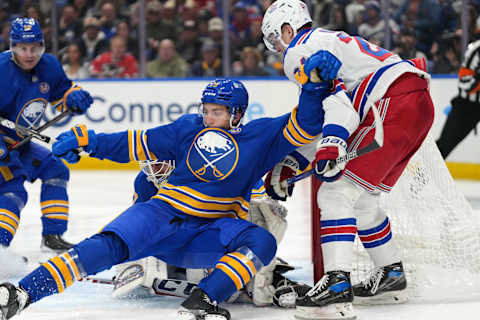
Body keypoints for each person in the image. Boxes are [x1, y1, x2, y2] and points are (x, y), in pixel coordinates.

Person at [0, 77, 353, 320]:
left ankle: (202, 300)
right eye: (206, 110)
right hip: (162, 216)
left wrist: (313, 87)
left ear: (237, 115)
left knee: (260, 239)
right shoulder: (187, 128)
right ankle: (22, 294)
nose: (208, 117)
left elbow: (305, 123)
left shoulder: (259, 138)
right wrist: (88, 139)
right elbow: (133, 142)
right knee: (104, 245)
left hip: (210, 234)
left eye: (217, 112)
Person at [261, 0, 434, 319]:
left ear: (288, 29)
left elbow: (335, 103)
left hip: (390, 104)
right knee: (363, 199)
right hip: (415, 104)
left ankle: (337, 282)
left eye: (275, 39)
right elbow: (336, 106)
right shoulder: (328, 38)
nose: (276, 50)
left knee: (335, 193)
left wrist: (331, 142)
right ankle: (391, 274)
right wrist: (299, 162)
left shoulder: (299, 50)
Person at [115, 159, 310, 308]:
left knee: (266, 219)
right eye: (150, 167)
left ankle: (263, 277)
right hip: (183, 238)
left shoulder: (208, 169)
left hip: (220, 228)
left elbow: (252, 204)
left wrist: (264, 207)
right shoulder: (145, 182)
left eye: (159, 166)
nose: (154, 173)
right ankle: (246, 281)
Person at [0, 18, 93, 270]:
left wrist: (72, 98)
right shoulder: (1, 70)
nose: (29, 54)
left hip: (21, 143)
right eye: (22, 48)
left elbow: (62, 95)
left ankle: (52, 238)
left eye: (35, 48)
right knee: (12, 190)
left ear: (42, 45)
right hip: (2, 146)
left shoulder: (49, 65)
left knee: (55, 169)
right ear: (12, 47)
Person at [436, 38, 480, 159]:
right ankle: (421, 175)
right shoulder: (476, 50)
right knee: (444, 146)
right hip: (468, 106)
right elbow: (464, 81)